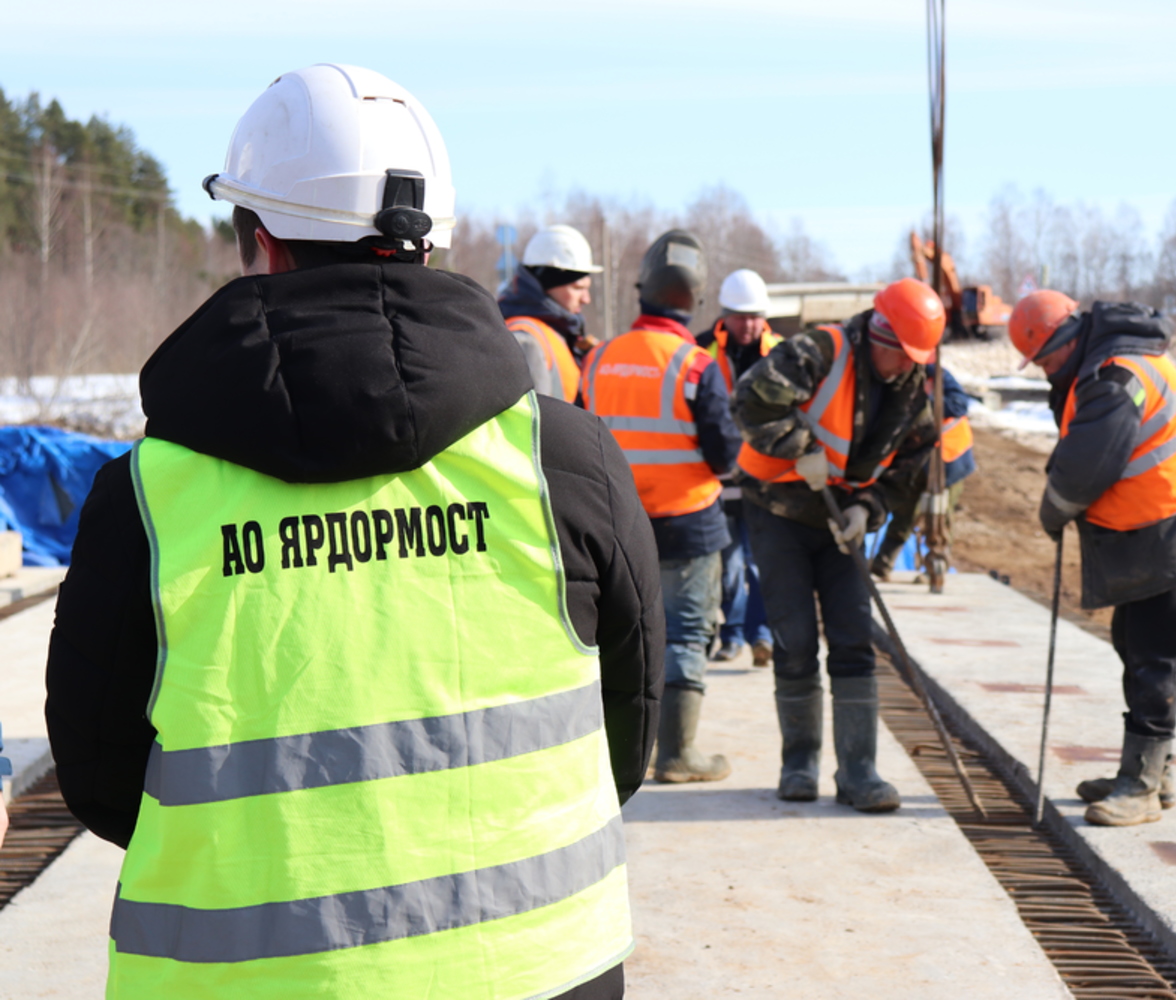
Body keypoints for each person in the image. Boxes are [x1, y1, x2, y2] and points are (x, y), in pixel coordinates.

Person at [44, 64, 662, 1000]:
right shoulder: (561, 459)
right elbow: (628, 727)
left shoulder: (148, 496)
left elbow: (97, 776)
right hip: (536, 965)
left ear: (257, 238)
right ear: (432, 242)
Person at [1010, 290, 1176, 827]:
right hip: (1164, 520)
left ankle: (1140, 787)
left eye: (1044, 360)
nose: (1044, 372)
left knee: (1156, 654)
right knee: (1132, 642)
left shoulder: (1114, 378)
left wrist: (1054, 509)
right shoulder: (1104, 365)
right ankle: (1149, 775)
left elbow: (1088, 466)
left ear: (1067, 342)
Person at [733, 277, 943, 813]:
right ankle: (798, 763)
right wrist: (799, 447)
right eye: (902, 356)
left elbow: (917, 459)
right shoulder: (820, 352)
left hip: (840, 518)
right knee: (796, 637)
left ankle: (859, 772)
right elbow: (750, 400)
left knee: (852, 639)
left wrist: (867, 510)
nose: (907, 367)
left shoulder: (913, 386)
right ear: (881, 336)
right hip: (779, 509)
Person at [582, 230, 741, 784]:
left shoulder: (599, 360)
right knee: (688, 635)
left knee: (622, 635)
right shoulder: (697, 367)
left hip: (617, 526)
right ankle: (677, 753)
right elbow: (724, 456)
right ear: (694, 301)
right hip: (690, 527)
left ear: (641, 292)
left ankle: (621, 750)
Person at [696, 269, 781, 666]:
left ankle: (761, 636)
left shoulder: (782, 353)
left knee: (763, 562)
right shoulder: (700, 350)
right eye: (739, 316)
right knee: (729, 565)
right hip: (720, 477)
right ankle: (732, 635)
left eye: (754, 316)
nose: (748, 325)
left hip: (766, 478)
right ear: (724, 314)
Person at [870, 365, 977, 581]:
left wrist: (922, 406)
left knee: (938, 516)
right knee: (903, 512)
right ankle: (881, 565)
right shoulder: (894, 377)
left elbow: (959, 405)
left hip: (946, 460)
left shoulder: (937, 374)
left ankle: (935, 568)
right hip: (913, 460)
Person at [499, 223, 603, 402]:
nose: (586, 299)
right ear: (548, 285)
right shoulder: (525, 338)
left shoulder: (559, 334)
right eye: (578, 288)